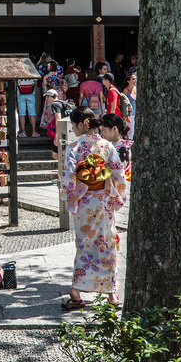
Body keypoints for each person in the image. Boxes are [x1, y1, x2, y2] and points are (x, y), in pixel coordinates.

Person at [59, 107, 126, 309]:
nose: (73, 129)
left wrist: (69, 195)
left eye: (73, 125)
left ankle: (76, 290)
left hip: (84, 204)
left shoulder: (74, 146)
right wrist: (117, 197)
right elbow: (119, 175)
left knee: (84, 244)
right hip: (103, 203)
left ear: (81, 125)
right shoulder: (107, 146)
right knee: (106, 243)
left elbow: (70, 178)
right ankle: (111, 293)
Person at [100, 113, 133, 182]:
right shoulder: (120, 146)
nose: (101, 134)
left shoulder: (123, 149)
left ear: (114, 128)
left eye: (103, 130)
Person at [40, 61, 67, 132]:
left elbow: (44, 88)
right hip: (60, 95)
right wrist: (62, 91)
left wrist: (46, 93)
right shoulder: (60, 76)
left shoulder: (47, 77)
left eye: (49, 66)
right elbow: (65, 88)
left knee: (50, 112)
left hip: (50, 95)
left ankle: (50, 130)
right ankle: (61, 128)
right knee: (60, 111)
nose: (48, 67)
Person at [122, 73, 137, 139]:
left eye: (135, 79)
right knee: (130, 131)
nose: (135, 80)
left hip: (136, 112)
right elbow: (123, 103)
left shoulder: (135, 89)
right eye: (133, 79)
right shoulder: (126, 90)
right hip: (129, 113)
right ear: (128, 81)